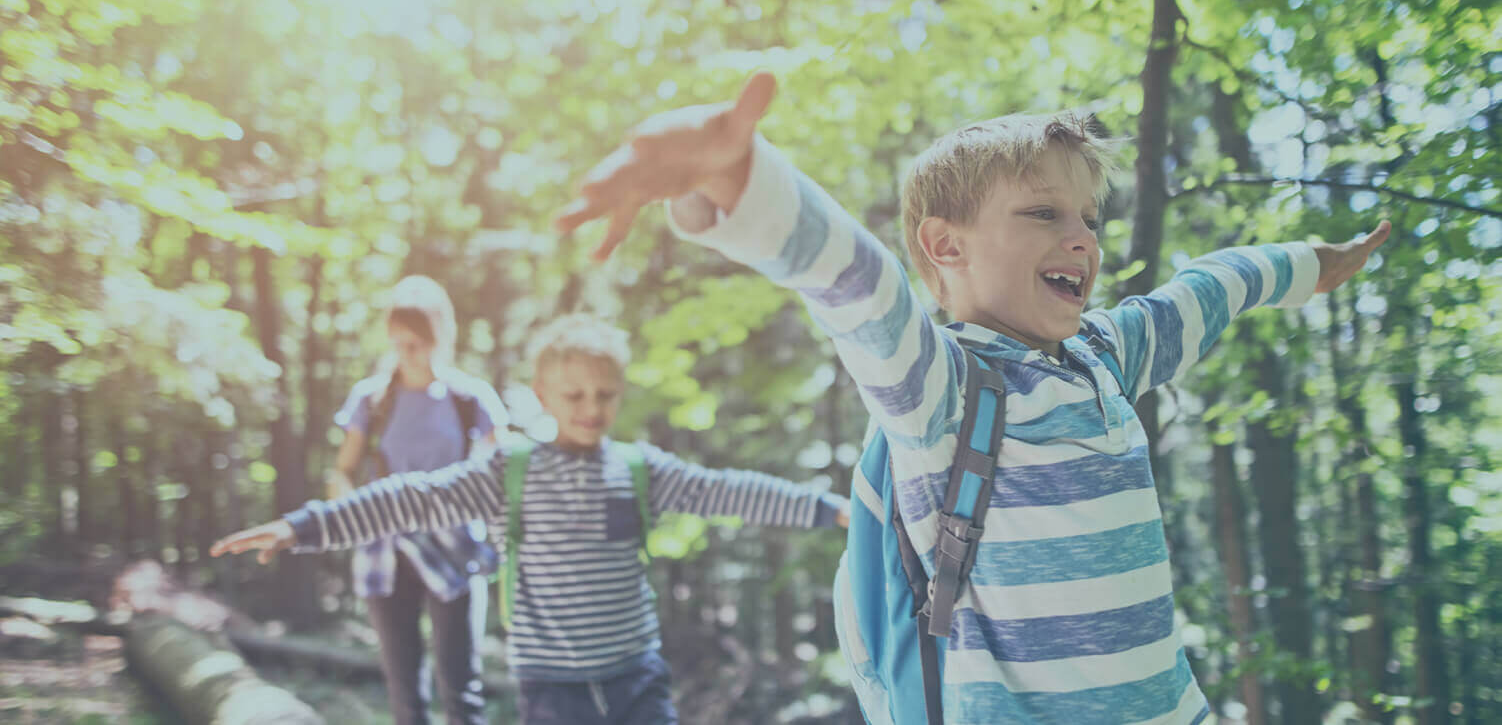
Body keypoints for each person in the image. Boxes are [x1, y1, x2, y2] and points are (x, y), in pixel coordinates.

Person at [551, 72, 1391, 724]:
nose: (1081, 237)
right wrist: (739, 180)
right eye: (1042, 212)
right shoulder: (942, 390)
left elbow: (1211, 289)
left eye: (1088, 218)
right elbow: (855, 284)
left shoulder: (1106, 354)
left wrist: (1315, 263)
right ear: (945, 245)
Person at [213, 313, 851, 725]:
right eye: (573, 395)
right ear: (542, 396)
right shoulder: (507, 473)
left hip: (637, 676)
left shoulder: (639, 469)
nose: (590, 408)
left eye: (604, 395)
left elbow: (729, 492)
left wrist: (830, 509)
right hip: (552, 688)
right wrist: (304, 526)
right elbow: (407, 498)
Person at [326, 274, 507, 725]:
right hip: (387, 553)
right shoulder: (371, 400)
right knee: (405, 689)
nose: (409, 352)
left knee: (460, 683)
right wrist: (353, 513)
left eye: (418, 341)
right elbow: (342, 471)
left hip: (456, 551)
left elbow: (505, 470)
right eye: (400, 342)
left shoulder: (470, 399)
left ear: (440, 337)